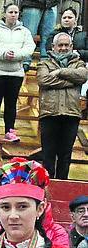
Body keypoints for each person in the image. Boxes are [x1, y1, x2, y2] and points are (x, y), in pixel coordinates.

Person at [38, 32, 88, 180]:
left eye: (66, 45)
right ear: (53, 47)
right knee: (48, 154)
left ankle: (62, 183)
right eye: (60, 45)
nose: (63, 48)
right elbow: (44, 80)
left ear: (71, 46)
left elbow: (83, 76)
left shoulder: (79, 64)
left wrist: (60, 72)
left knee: (65, 155)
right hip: (49, 114)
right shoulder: (44, 63)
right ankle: (47, 185)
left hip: (71, 114)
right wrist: (71, 81)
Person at [0, 3, 35, 143]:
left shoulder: (25, 32)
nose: (13, 15)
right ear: (5, 13)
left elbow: (29, 48)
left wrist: (16, 55)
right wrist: (4, 54)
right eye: (10, 12)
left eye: (16, 12)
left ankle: (10, 131)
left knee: (11, 103)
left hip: (15, 73)